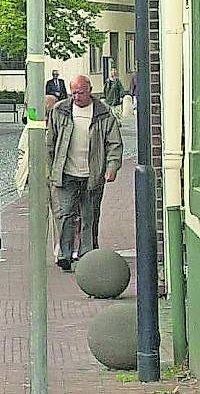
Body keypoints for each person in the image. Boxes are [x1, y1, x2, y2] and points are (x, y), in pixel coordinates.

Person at [47, 75, 124, 271]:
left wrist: (112, 167)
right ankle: (64, 254)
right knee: (65, 214)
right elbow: (50, 142)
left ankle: (87, 256)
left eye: (80, 92)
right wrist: (50, 169)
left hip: (93, 174)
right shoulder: (60, 110)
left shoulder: (103, 114)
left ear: (89, 90)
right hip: (66, 173)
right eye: (73, 92)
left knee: (89, 216)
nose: (76, 96)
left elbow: (114, 144)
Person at [15, 94, 61, 261]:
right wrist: (23, 174)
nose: (48, 115)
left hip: (57, 176)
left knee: (60, 214)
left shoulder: (60, 125)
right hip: (38, 177)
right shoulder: (32, 127)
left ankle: (61, 251)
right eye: (46, 111)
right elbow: (22, 151)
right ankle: (39, 252)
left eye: (51, 110)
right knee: (39, 216)